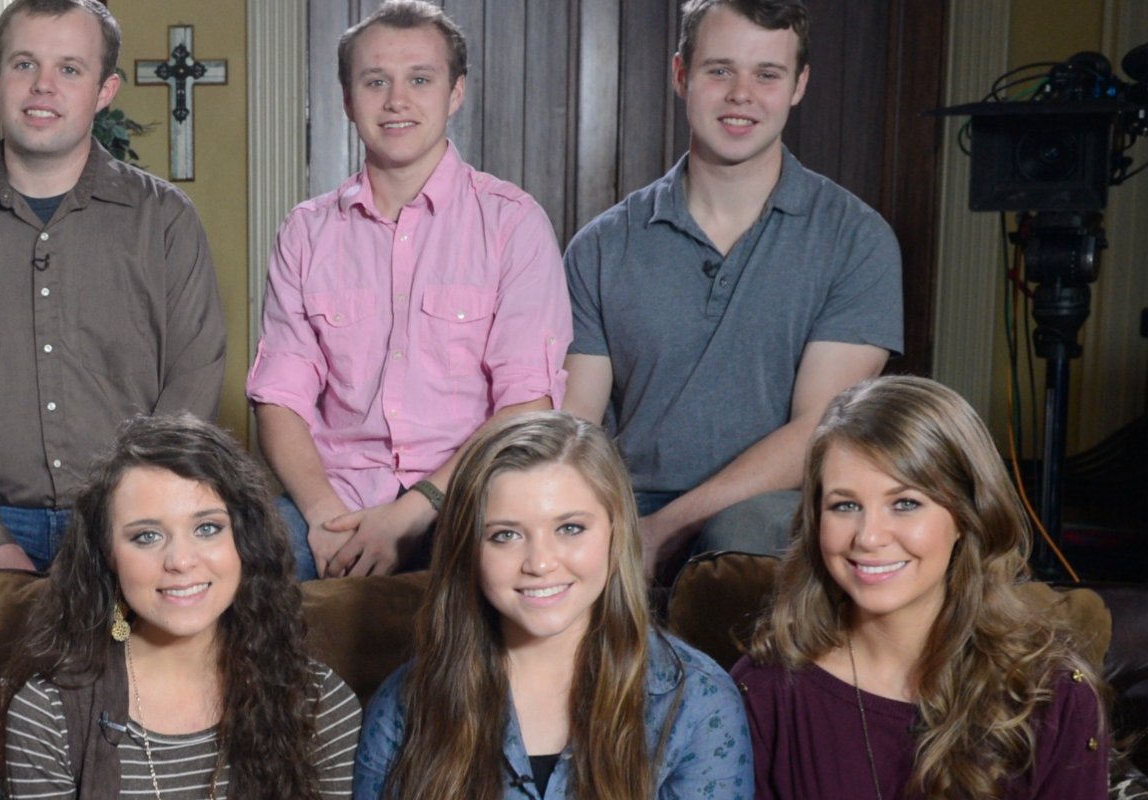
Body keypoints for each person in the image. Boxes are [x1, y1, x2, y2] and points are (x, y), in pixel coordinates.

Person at [0, 0, 225, 575]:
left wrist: (129, 528)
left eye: (69, 69)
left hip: (128, 516)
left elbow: (192, 384)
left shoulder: (164, 220)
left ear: (105, 89)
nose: (43, 87)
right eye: (24, 65)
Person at [561, 0, 902, 575]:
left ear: (798, 85)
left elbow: (820, 432)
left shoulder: (855, 238)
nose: (742, 94)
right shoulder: (601, 246)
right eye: (720, 70)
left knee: (737, 531)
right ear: (680, 76)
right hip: (626, 510)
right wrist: (580, 525)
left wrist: (667, 529)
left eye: (767, 74)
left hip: (776, 518)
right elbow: (575, 427)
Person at [248, 0, 571, 581]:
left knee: (511, 571)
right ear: (347, 100)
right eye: (376, 82)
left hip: (471, 499)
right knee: (244, 566)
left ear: (455, 93)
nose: (397, 100)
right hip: (336, 498)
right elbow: (279, 397)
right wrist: (323, 515)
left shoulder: (512, 224)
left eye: (420, 79)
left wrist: (407, 514)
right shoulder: (305, 232)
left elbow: (527, 405)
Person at [731, 376, 1109, 799]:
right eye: (845, 505)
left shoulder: (1054, 697)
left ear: (968, 516)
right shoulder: (767, 690)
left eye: (905, 503)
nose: (869, 537)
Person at [354, 412, 752, 799]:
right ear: (468, 550)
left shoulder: (697, 701)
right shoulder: (407, 702)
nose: (540, 563)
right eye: (505, 534)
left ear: (617, 533)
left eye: (570, 529)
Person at [0, 414, 362, 798]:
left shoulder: (320, 704)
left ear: (246, 540)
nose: (181, 561)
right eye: (147, 536)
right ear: (108, 554)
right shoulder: (47, 714)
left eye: (207, 528)